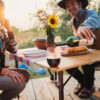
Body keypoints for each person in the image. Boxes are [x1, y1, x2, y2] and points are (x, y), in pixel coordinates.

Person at [58, 0, 100, 98]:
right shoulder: (72, 22)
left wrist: (84, 26)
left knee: (87, 62)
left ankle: (89, 87)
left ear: (80, 4)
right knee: (65, 60)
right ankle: (82, 82)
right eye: (68, 6)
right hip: (89, 52)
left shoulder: (91, 13)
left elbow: (94, 20)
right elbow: (79, 41)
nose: (70, 7)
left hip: (99, 52)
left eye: (72, 4)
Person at [0, 0, 30, 100]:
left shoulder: (1, 31)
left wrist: (9, 30)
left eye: (2, 11)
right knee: (20, 83)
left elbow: (13, 50)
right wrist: (6, 71)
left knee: (25, 74)